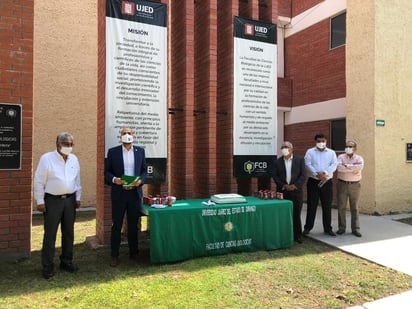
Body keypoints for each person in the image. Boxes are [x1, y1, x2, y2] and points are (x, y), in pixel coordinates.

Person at [34, 132, 82, 279]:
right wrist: (40, 201)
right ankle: (48, 266)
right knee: (50, 234)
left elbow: (77, 180)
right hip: (52, 201)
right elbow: (38, 181)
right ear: (58, 144)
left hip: (70, 200)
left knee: (68, 233)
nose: (69, 147)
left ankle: (66, 261)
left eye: (71, 144)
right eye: (66, 144)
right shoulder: (47, 159)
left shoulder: (74, 159)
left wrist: (78, 197)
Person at [105, 127, 147, 267]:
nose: (127, 135)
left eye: (129, 133)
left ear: (133, 136)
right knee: (116, 225)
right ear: (120, 136)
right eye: (124, 133)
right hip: (119, 193)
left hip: (134, 194)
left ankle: (134, 252)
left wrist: (140, 180)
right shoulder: (113, 152)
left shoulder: (140, 151)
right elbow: (107, 172)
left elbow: (144, 171)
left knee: (133, 225)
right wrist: (114, 179)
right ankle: (114, 255)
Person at [303, 133, 338, 236]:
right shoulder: (310, 152)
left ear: (326, 141)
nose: (321, 143)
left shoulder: (331, 153)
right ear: (315, 141)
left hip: (327, 182)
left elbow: (334, 164)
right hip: (313, 182)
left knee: (327, 206)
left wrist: (325, 174)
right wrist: (316, 174)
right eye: (319, 141)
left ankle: (328, 228)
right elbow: (307, 164)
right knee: (311, 205)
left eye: (323, 141)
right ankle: (308, 228)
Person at [273, 141, 306, 243]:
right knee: (283, 214)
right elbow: (275, 176)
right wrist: (284, 186)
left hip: (296, 191)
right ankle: (284, 234)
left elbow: (303, 175)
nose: (284, 149)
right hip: (283, 192)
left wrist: (295, 186)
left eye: (286, 147)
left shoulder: (300, 160)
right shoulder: (277, 162)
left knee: (296, 214)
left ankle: (297, 236)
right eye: (282, 147)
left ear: (291, 149)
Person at [336, 140, 364, 237]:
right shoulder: (340, 157)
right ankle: (341, 228)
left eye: (350, 146)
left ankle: (355, 229)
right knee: (341, 207)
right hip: (342, 184)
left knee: (354, 208)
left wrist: (346, 166)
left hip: (355, 185)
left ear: (355, 148)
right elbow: (339, 168)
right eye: (346, 146)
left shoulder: (359, 158)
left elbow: (359, 167)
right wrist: (353, 168)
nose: (348, 148)